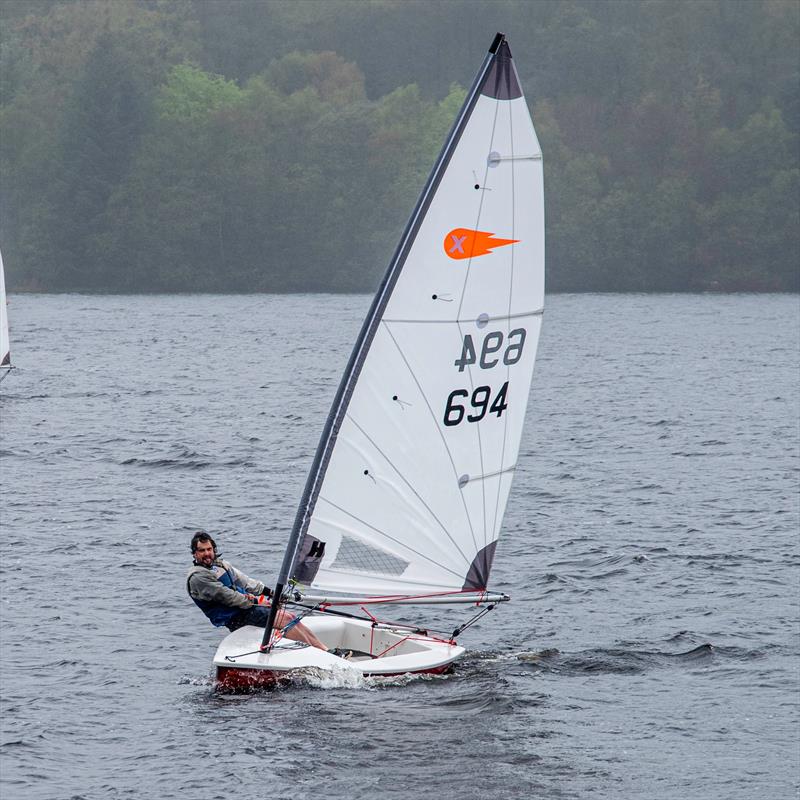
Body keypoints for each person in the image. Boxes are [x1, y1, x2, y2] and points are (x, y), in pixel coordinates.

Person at [186, 531, 329, 651]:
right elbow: (229, 597)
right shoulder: (198, 577)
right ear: (194, 554)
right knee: (283, 619)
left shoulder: (221, 565)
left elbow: (246, 581)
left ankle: (324, 649)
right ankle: (318, 652)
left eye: (209, 549)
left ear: (214, 549)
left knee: (290, 616)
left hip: (246, 609)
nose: (207, 553)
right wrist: (258, 602)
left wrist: (271, 594)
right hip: (236, 618)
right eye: (202, 550)